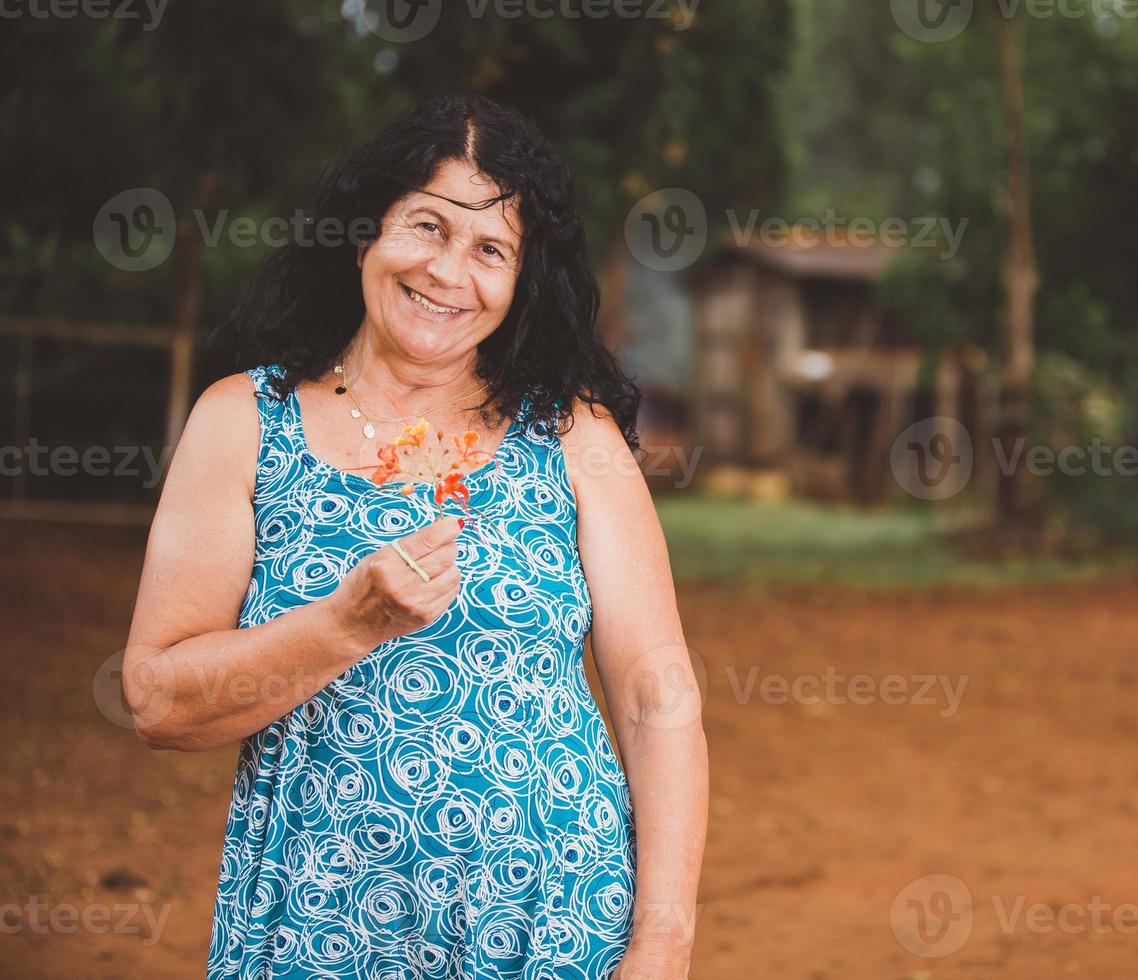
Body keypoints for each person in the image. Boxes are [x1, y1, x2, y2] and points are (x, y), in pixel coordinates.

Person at [123, 93, 707, 979]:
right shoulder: (244, 421)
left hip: (552, 927)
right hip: (321, 926)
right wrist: (342, 625)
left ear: (520, 282)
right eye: (426, 227)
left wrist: (664, 942)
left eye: (490, 250)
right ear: (366, 232)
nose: (448, 272)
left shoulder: (573, 438)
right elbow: (159, 701)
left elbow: (656, 700)